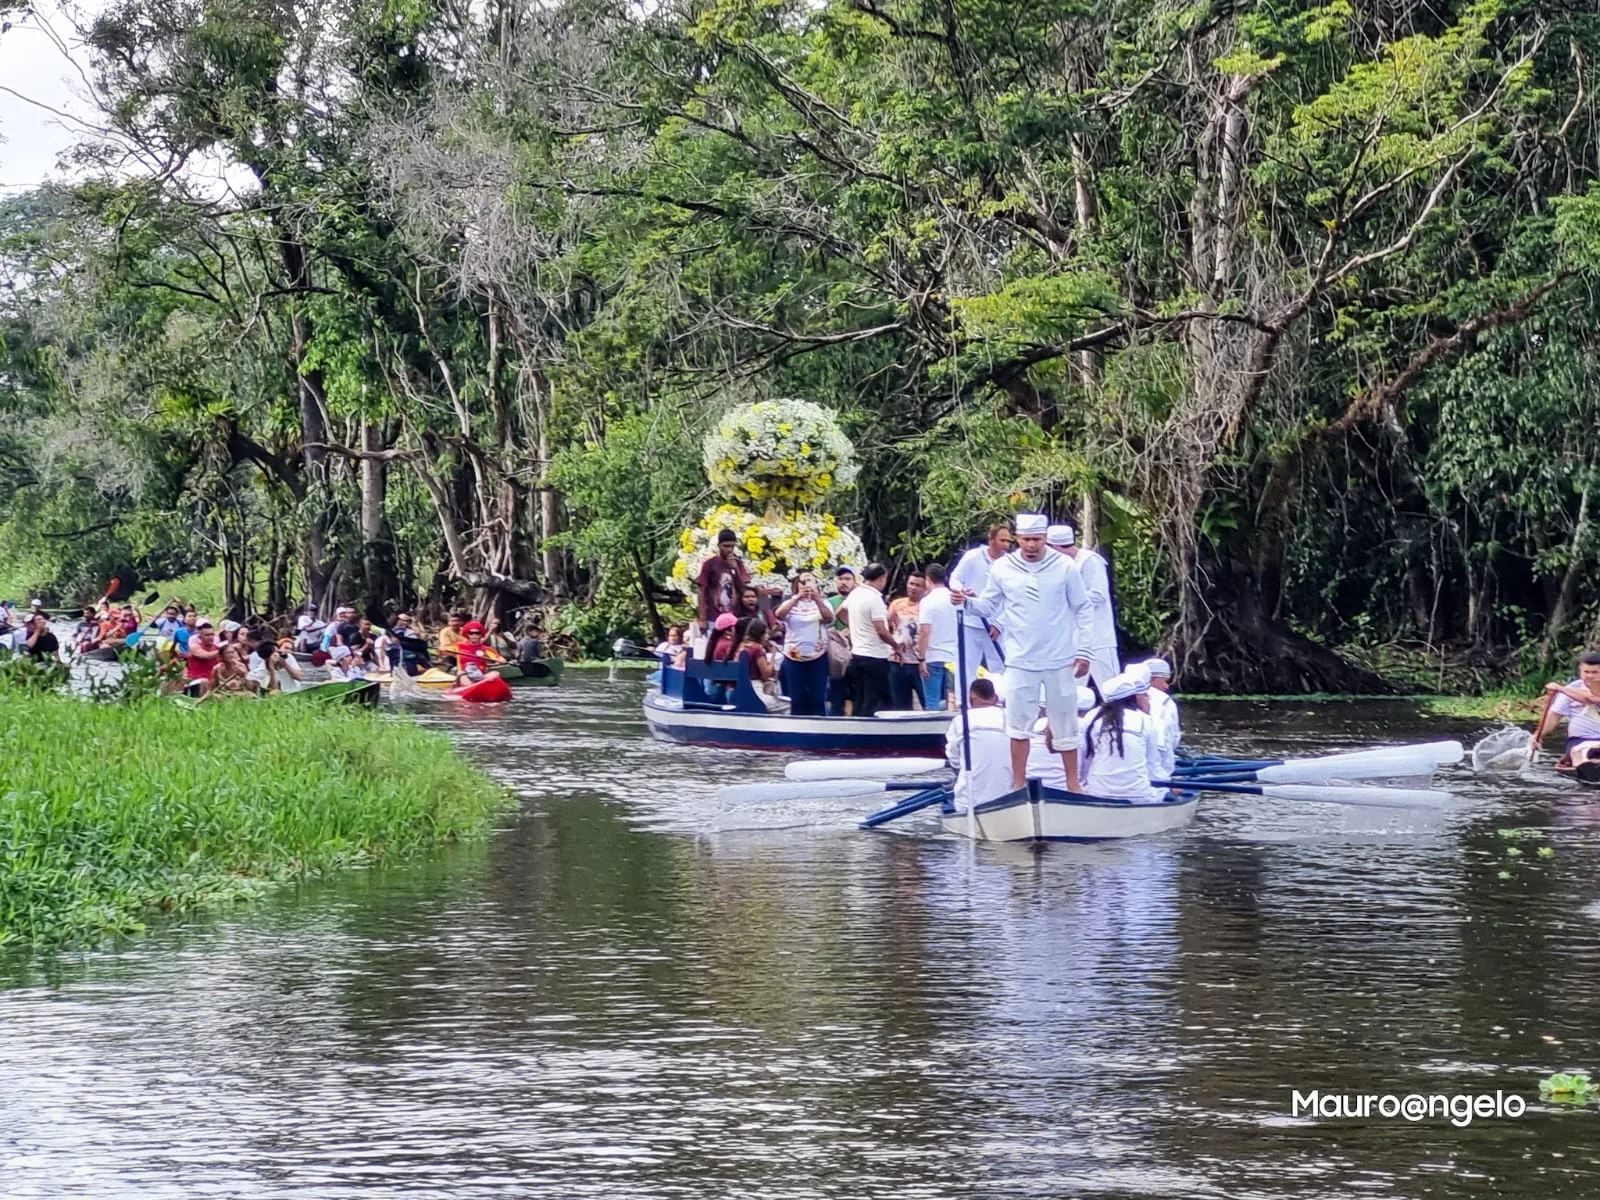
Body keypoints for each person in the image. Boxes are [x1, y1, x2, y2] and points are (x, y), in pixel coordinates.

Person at [957, 512, 1093, 791]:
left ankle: (1073, 784)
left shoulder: (1065, 566)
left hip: (1059, 659)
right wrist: (966, 602)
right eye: (1026, 539)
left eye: (1037, 540)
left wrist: (1085, 651)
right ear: (1017, 539)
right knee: (1018, 725)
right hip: (1019, 659)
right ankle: (1018, 784)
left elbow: (1083, 608)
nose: (1031, 545)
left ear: (1045, 539)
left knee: (1065, 723)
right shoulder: (1002, 568)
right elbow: (987, 606)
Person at [1079, 666, 1167, 801]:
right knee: (1166, 793)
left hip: (1097, 793)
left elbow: (1085, 759)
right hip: (1138, 795)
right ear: (1133, 697)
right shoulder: (1146, 720)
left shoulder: (1091, 716)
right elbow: (1152, 764)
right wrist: (1167, 784)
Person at [1050, 523, 1120, 687]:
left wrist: (1066, 596)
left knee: (1111, 687)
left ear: (1055, 547)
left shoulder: (1090, 561)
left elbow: (1098, 595)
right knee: (1070, 690)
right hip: (1073, 641)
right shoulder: (1060, 566)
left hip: (1098, 639)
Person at [949, 522, 1012, 693]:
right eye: (1002, 540)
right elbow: (955, 578)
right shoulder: (972, 557)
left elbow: (1013, 597)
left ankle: (1000, 699)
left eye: (1008, 541)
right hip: (971, 621)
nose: (1006, 545)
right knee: (966, 664)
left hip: (996, 624)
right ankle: (964, 703)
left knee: (1000, 665)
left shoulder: (1010, 564)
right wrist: (960, 591)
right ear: (991, 539)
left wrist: (1000, 623)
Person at [946, 678, 1015, 813]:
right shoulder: (1010, 717)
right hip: (1011, 798)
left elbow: (954, 760)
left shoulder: (960, 720)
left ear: (971, 699)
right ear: (995, 698)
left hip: (970, 801)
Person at [841, 562, 895, 717]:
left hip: (857, 654)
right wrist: (896, 646)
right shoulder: (874, 599)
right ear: (882, 577)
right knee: (874, 702)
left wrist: (855, 626)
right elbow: (881, 631)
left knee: (860, 699)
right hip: (875, 657)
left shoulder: (855, 594)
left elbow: (840, 613)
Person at [774, 572, 830, 717]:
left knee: (817, 698)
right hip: (793, 655)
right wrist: (798, 597)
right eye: (803, 581)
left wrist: (817, 599)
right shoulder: (790, 602)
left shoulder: (823, 602)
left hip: (817, 655)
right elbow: (779, 614)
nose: (807, 585)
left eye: (810, 581)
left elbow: (829, 618)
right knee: (797, 697)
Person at [1531, 651, 1600, 766]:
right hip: (1579, 740)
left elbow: (1592, 698)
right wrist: (1538, 735)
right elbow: (1554, 715)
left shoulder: (1566, 690)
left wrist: (1560, 688)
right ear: (1580, 670)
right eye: (1586, 672)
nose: (1590, 676)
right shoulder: (1572, 688)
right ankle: (1585, 767)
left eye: (1595, 672)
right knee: (1579, 752)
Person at [1026, 687, 1099, 790]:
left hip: (1031, 790)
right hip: (1067, 794)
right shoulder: (1085, 727)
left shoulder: (1035, 724)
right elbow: (1087, 770)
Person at [915, 563, 959, 713]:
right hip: (954, 655)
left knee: (932, 701)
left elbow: (924, 631)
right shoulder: (955, 598)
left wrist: (921, 658)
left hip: (933, 655)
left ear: (928, 580)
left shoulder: (927, 601)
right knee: (954, 699)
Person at [888, 571, 927, 710]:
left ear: (925, 588)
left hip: (919, 662)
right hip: (898, 661)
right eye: (911, 583)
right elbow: (886, 626)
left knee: (927, 702)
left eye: (918, 585)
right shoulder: (897, 603)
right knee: (900, 706)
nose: (913, 587)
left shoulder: (927, 606)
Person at [696, 529, 752, 628]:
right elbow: (701, 591)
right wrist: (702, 618)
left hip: (735, 616)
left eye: (732, 546)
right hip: (714, 617)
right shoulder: (709, 564)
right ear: (719, 545)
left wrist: (736, 569)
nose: (729, 549)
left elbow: (744, 589)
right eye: (726, 546)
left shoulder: (738, 563)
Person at [824, 566, 857, 715]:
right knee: (836, 695)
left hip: (858, 653)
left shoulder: (860, 600)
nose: (844, 582)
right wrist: (839, 634)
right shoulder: (829, 603)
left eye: (848, 579)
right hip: (836, 657)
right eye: (840, 579)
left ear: (855, 581)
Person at [1143, 657, 1181, 779]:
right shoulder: (1165, 702)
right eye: (1165, 681)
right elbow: (1174, 738)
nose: (1167, 687)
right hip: (1157, 772)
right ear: (1151, 679)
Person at [184, 620, 222, 695]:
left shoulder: (217, 648)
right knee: (204, 681)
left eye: (212, 634)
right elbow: (206, 656)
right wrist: (222, 651)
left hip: (213, 681)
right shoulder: (195, 647)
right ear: (200, 636)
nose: (210, 637)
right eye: (207, 635)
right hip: (195, 681)